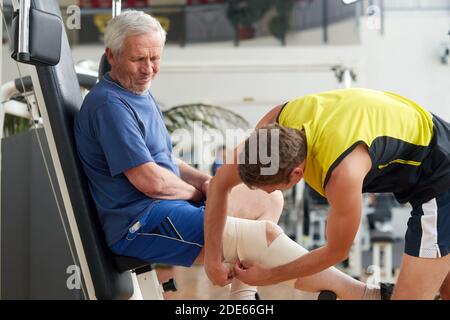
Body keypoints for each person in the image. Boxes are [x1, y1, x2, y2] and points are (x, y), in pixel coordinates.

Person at [74, 11, 388, 300]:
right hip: (140, 223)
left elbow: (167, 161)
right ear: (111, 56)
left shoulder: (139, 94)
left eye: (155, 58)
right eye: (138, 59)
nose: (149, 69)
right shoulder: (110, 106)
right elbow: (151, 180)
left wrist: (209, 182)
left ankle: (243, 296)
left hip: (165, 206)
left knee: (268, 199)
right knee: (261, 235)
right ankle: (363, 294)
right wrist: (204, 194)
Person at [205, 88, 450, 300]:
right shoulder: (273, 127)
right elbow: (219, 185)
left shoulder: (344, 173)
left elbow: (336, 251)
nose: (264, 194)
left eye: (271, 188)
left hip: (440, 174)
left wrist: (269, 276)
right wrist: (212, 259)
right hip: (426, 137)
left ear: (296, 174)